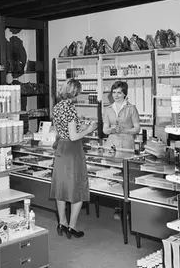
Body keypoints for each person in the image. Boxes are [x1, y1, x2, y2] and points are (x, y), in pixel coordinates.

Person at [50, 79, 97, 239]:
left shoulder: (57, 107)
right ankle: (72, 226)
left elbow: (61, 131)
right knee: (78, 188)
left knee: (61, 188)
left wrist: (78, 127)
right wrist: (89, 129)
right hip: (73, 150)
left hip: (61, 149)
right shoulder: (70, 109)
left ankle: (62, 223)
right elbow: (74, 136)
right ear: (76, 92)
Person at [102, 80, 141, 219]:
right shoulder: (108, 109)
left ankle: (128, 207)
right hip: (112, 144)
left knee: (126, 176)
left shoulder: (131, 108)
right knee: (114, 175)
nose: (116, 95)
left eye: (119, 93)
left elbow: (137, 128)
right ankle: (118, 206)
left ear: (124, 94)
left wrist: (126, 130)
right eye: (114, 92)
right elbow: (104, 130)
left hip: (126, 144)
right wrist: (111, 129)